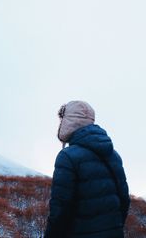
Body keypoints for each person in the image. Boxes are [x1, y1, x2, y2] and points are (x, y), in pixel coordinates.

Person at [44, 101, 130, 238]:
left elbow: (60, 209)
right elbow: (124, 201)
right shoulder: (113, 155)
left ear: (67, 121)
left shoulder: (67, 156)